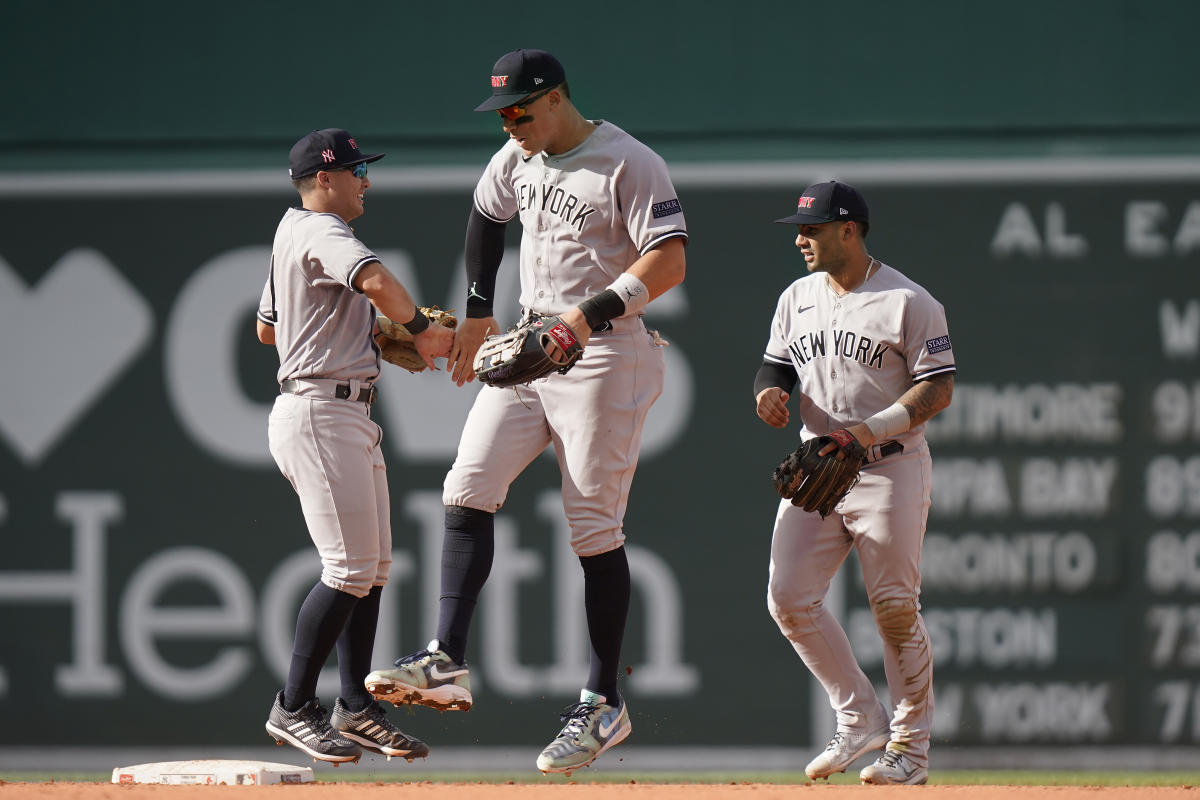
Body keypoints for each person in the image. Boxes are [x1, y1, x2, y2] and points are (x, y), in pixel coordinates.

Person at [364, 48, 687, 774]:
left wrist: (580, 321)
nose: (510, 124)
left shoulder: (628, 162)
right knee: (466, 486)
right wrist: (478, 314)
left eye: (522, 110)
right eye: (503, 114)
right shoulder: (516, 157)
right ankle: (446, 657)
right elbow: (484, 217)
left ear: (559, 98)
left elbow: (668, 261)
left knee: (592, 525)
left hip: (605, 348)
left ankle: (604, 700)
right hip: (531, 337)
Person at [256, 128, 454, 764]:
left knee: (371, 571)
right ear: (323, 179)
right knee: (347, 570)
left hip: (343, 408)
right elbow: (373, 280)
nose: (366, 180)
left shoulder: (291, 235)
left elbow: (267, 329)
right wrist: (419, 331)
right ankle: (292, 706)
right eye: (356, 171)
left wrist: (356, 336)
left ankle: (355, 706)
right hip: (320, 411)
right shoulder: (321, 231)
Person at [754, 181, 954, 785]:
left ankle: (910, 750)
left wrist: (863, 432)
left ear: (849, 229)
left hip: (890, 465)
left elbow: (936, 388)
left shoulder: (908, 300)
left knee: (894, 609)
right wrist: (768, 393)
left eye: (811, 229)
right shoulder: (797, 297)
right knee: (788, 598)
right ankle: (858, 715)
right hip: (819, 466)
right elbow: (777, 364)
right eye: (799, 229)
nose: (800, 239)